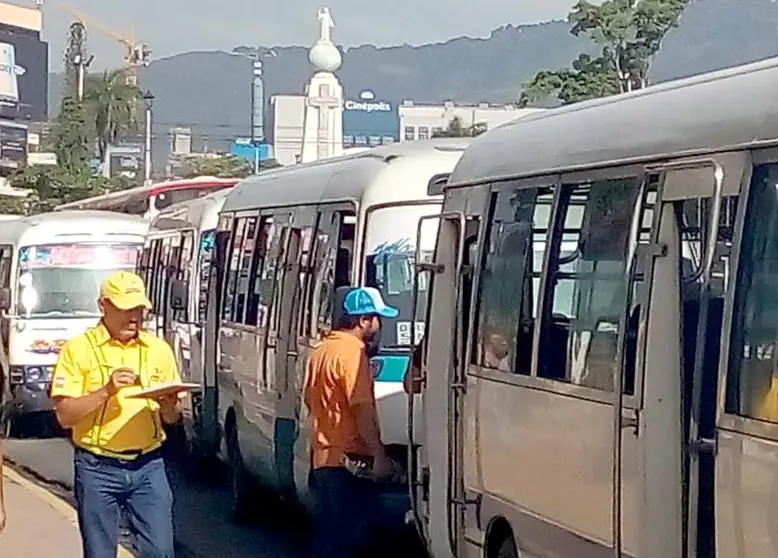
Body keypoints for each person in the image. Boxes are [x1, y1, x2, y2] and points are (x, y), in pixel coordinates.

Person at [50, 271, 183, 558]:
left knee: (161, 552)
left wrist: (170, 405)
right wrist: (106, 391)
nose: (133, 317)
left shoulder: (158, 350)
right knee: (99, 553)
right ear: (103, 306)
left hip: (149, 465)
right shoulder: (78, 350)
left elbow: (171, 418)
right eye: (125, 309)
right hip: (97, 467)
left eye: (138, 309)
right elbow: (64, 415)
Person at [303, 286, 399, 558]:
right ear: (362, 320)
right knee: (348, 543)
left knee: (328, 539)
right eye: (377, 318)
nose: (379, 325)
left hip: (323, 460)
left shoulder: (321, 352)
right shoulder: (353, 357)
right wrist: (379, 455)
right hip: (349, 464)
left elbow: (310, 401)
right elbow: (362, 410)